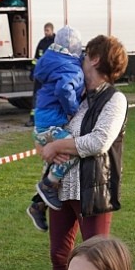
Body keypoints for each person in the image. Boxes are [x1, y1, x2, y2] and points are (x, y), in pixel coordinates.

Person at [36, 35, 130, 270]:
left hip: (93, 190)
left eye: (85, 54)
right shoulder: (76, 94)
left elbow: (99, 142)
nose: (79, 58)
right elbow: (52, 129)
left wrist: (57, 147)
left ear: (96, 59)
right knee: (60, 255)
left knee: (98, 260)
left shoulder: (115, 99)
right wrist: (46, 145)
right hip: (62, 190)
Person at [27, 25, 85, 225]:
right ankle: (49, 184)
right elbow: (63, 89)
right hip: (53, 121)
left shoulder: (50, 60)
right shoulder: (72, 67)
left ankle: (38, 205)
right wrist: (73, 109)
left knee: (56, 156)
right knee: (75, 149)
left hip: (42, 119)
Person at [29, 22, 56, 126]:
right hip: (41, 75)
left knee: (51, 97)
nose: (45, 33)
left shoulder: (56, 43)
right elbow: (36, 59)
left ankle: (49, 120)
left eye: (47, 30)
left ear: (52, 30)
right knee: (36, 96)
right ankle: (32, 119)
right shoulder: (42, 42)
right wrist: (32, 71)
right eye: (45, 30)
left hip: (51, 75)